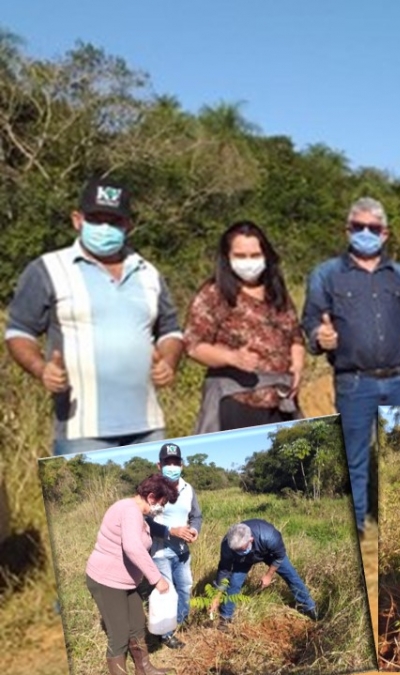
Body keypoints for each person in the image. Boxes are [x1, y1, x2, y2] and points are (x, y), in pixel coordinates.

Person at [5, 177, 184, 455]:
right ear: (77, 220)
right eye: (95, 219)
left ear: (128, 226)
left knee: (154, 499)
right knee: (86, 500)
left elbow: (171, 330)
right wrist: (42, 369)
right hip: (81, 431)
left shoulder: (148, 272)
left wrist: (169, 361)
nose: (104, 228)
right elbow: (19, 332)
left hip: (148, 427)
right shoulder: (48, 269)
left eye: (113, 221)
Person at [301, 197, 400, 532]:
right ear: (348, 229)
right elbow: (311, 321)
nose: (366, 233)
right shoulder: (327, 275)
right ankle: (355, 526)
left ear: (385, 233)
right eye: (359, 227)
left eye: (373, 228)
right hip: (354, 382)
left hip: (399, 380)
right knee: (354, 458)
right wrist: (319, 335)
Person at [185, 220, 304, 432]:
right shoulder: (214, 294)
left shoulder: (276, 292)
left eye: (255, 255)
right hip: (236, 401)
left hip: (281, 401)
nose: (248, 262)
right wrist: (232, 358)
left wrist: (297, 364)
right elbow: (193, 345)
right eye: (240, 256)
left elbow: (294, 334)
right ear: (227, 257)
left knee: (297, 465)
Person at [85, 473, 179, 675]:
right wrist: (157, 579)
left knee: (137, 625)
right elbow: (133, 547)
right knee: (118, 636)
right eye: (162, 503)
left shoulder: (138, 514)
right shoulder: (129, 511)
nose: (161, 508)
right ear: (151, 496)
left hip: (126, 582)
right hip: (106, 580)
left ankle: (143, 669)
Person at [146, 443, 203, 650]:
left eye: (175, 462)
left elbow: (196, 516)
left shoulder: (189, 490)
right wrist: (171, 531)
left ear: (182, 464)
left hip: (182, 551)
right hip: (160, 552)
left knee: (185, 588)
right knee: (167, 593)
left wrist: (194, 530)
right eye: (167, 462)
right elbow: (146, 522)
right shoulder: (153, 490)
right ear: (159, 465)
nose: (172, 466)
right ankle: (167, 634)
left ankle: (177, 621)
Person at [210, 519, 318, 626]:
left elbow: (280, 556)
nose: (239, 553)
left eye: (241, 549)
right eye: (236, 551)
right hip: (244, 561)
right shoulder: (228, 545)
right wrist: (217, 595)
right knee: (234, 582)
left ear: (250, 540)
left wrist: (269, 575)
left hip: (269, 553)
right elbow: (224, 570)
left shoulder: (269, 536)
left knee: (291, 576)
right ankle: (225, 617)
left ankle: (309, 607)